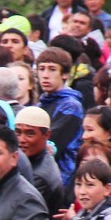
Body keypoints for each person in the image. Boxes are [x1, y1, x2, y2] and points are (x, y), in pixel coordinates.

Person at [36, 47, 84, 189]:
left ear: (64, 74)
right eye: (41, 69)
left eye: (52, 69)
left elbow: (52, 141)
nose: (45, 75)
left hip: (61, 178)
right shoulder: (40, 104)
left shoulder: (71, 106)